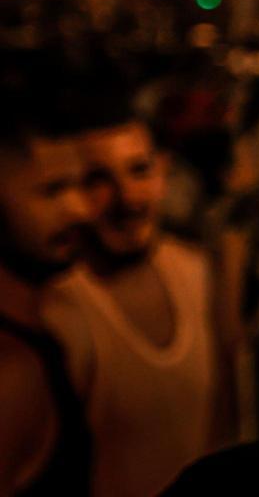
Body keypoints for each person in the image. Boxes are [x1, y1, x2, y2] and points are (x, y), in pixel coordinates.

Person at [41, 93, 232, 497]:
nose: (127, 198)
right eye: (98, 179)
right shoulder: (53, 309)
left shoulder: (198, 270)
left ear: (162, 170)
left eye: (139, 170)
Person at [0, 92, 92, 495]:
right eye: (52, 191)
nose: (81, 210)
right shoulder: (11, 372)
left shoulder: (39, 331)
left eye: (80, 186)